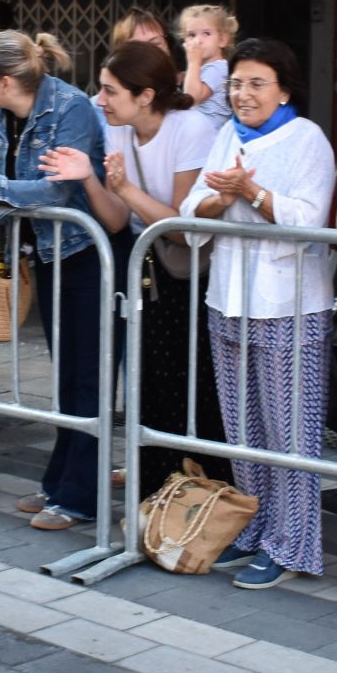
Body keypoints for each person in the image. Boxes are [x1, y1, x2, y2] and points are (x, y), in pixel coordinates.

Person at [180, 37, 337, 590]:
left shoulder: (307, 140)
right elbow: (191, 206)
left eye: (256, 84)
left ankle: (291, 543)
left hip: (288, 306)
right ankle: (252, 528)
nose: (243, 94)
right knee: (243, 430)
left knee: (289, 434)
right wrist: (220, 200)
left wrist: (252, 190)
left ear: (284, 90)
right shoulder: (228, 134)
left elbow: (310, 220)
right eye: (237, 83)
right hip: (229, 298)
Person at [0, 30, 108, 531]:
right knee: (66, 376)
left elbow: (57, 192)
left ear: (5, 80)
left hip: (81, 253)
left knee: (85, 378)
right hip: (40, 252)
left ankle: (78, 497)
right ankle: (60, 485)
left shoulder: (70, 108)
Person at [47, 40, 221, 495]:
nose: (98, 100)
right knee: (147, 383)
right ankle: (155, 493)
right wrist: (88, 176)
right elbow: (118, 219)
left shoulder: (192, 128)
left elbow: (186, 227)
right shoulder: (116, 128)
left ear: (145, 95)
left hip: (192, 275)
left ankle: (204, 493)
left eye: (110, 91)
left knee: (194, 384)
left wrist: (125, 189)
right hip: (143, 268)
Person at [178, 3, 237, 128]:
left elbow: (191, 97)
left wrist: (193, 62)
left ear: (222, 40)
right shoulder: (206, 68)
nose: (198, 41)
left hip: (210, 138)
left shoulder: (218, 68)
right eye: (191, 35)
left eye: (206, 33)